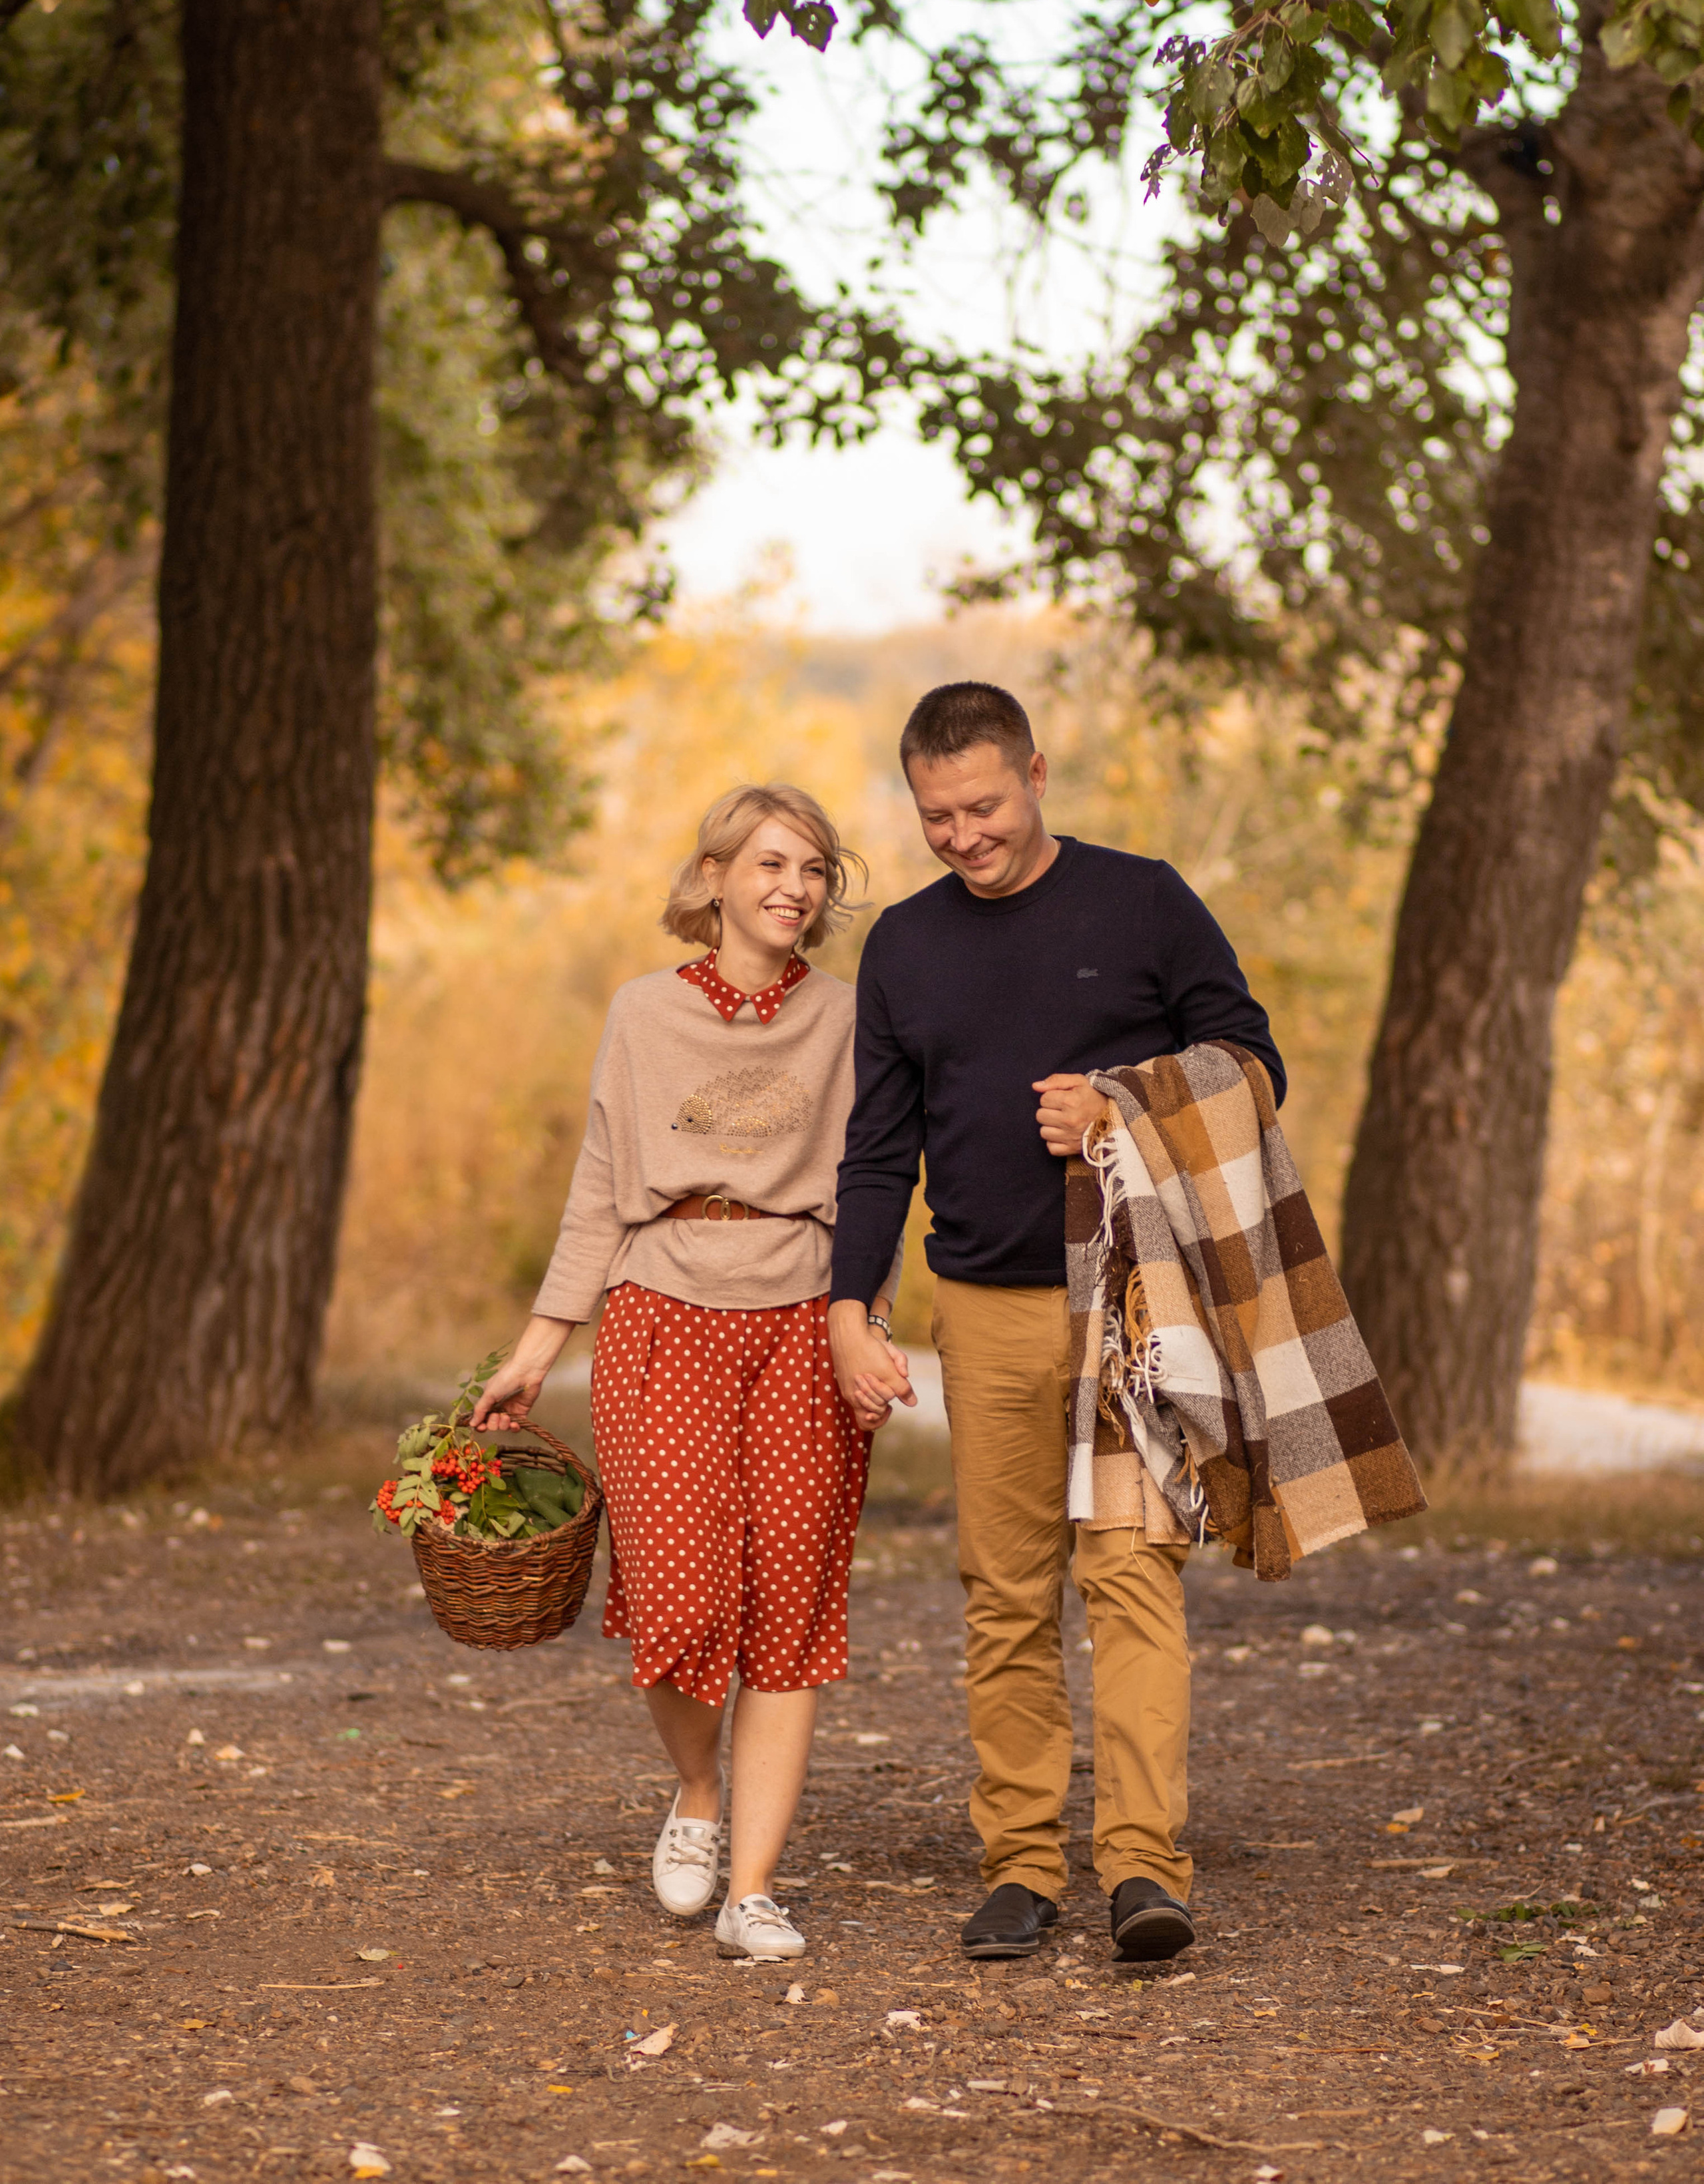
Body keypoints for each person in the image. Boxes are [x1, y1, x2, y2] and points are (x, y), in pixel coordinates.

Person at [826, 682, 1285, 1965]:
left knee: (1133, 1580)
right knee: (1006, 1592)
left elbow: (1255, 1065)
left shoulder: (1143, 899)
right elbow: (877, 1153)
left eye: (982, 805)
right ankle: (1021, 1868)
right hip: (981, 1308)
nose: (963, 835)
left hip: (1133, 1309)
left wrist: (1119, 1107)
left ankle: (1145, 1870)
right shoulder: (904, 948)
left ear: (1036, 769)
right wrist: (851, 1304)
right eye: (936, 817)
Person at [475, 783, 899, 1962]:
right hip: (663, 1316)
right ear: (712, 876)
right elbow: (600, 1186)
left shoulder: (855, 1018)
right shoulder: (642, 1014)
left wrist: (865, 1319)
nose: (792, 889)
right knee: (674, 1600)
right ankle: (698, 1795)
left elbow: (875, 1181)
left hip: (803, 1322)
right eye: (769, 863)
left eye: (814, 870)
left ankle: (753, 1890)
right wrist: (536, 1350)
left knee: (790, 1615)